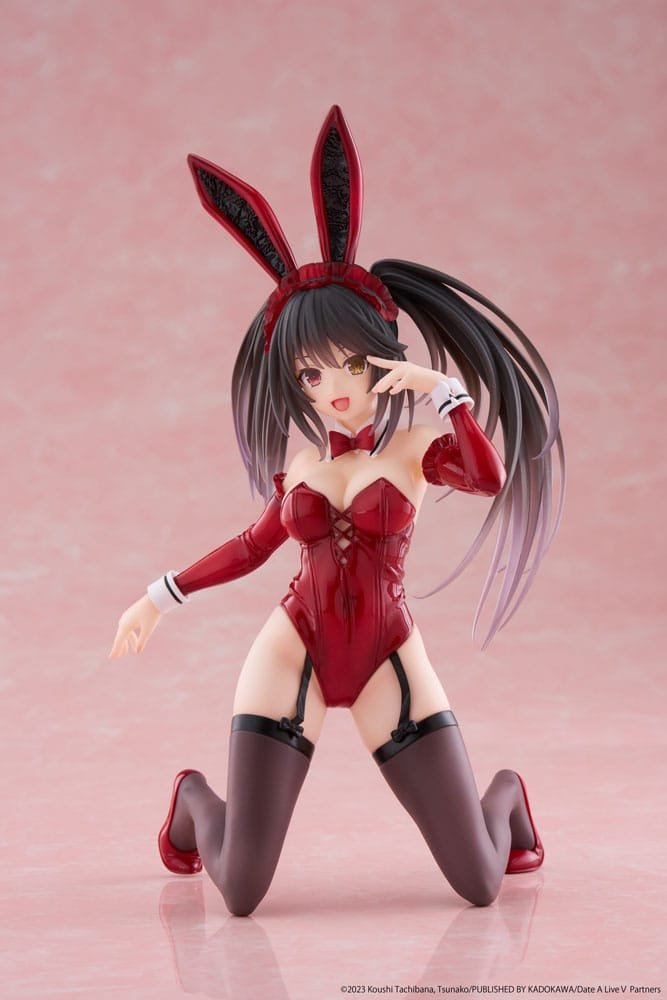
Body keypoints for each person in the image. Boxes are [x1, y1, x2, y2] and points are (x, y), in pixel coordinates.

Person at [110, 107, 563, 915]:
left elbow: (488, 478)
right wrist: (158, 595)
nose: (333, 386)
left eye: (349, 363)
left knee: (479, 883)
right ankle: (192, 801)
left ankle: (503, 795)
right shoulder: (302, 464)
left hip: (389, 654)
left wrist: (448, 395)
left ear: (382, 352)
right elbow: (253, 545)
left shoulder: (414, 448)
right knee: (241, 890)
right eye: (310, 374)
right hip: (293, 651)